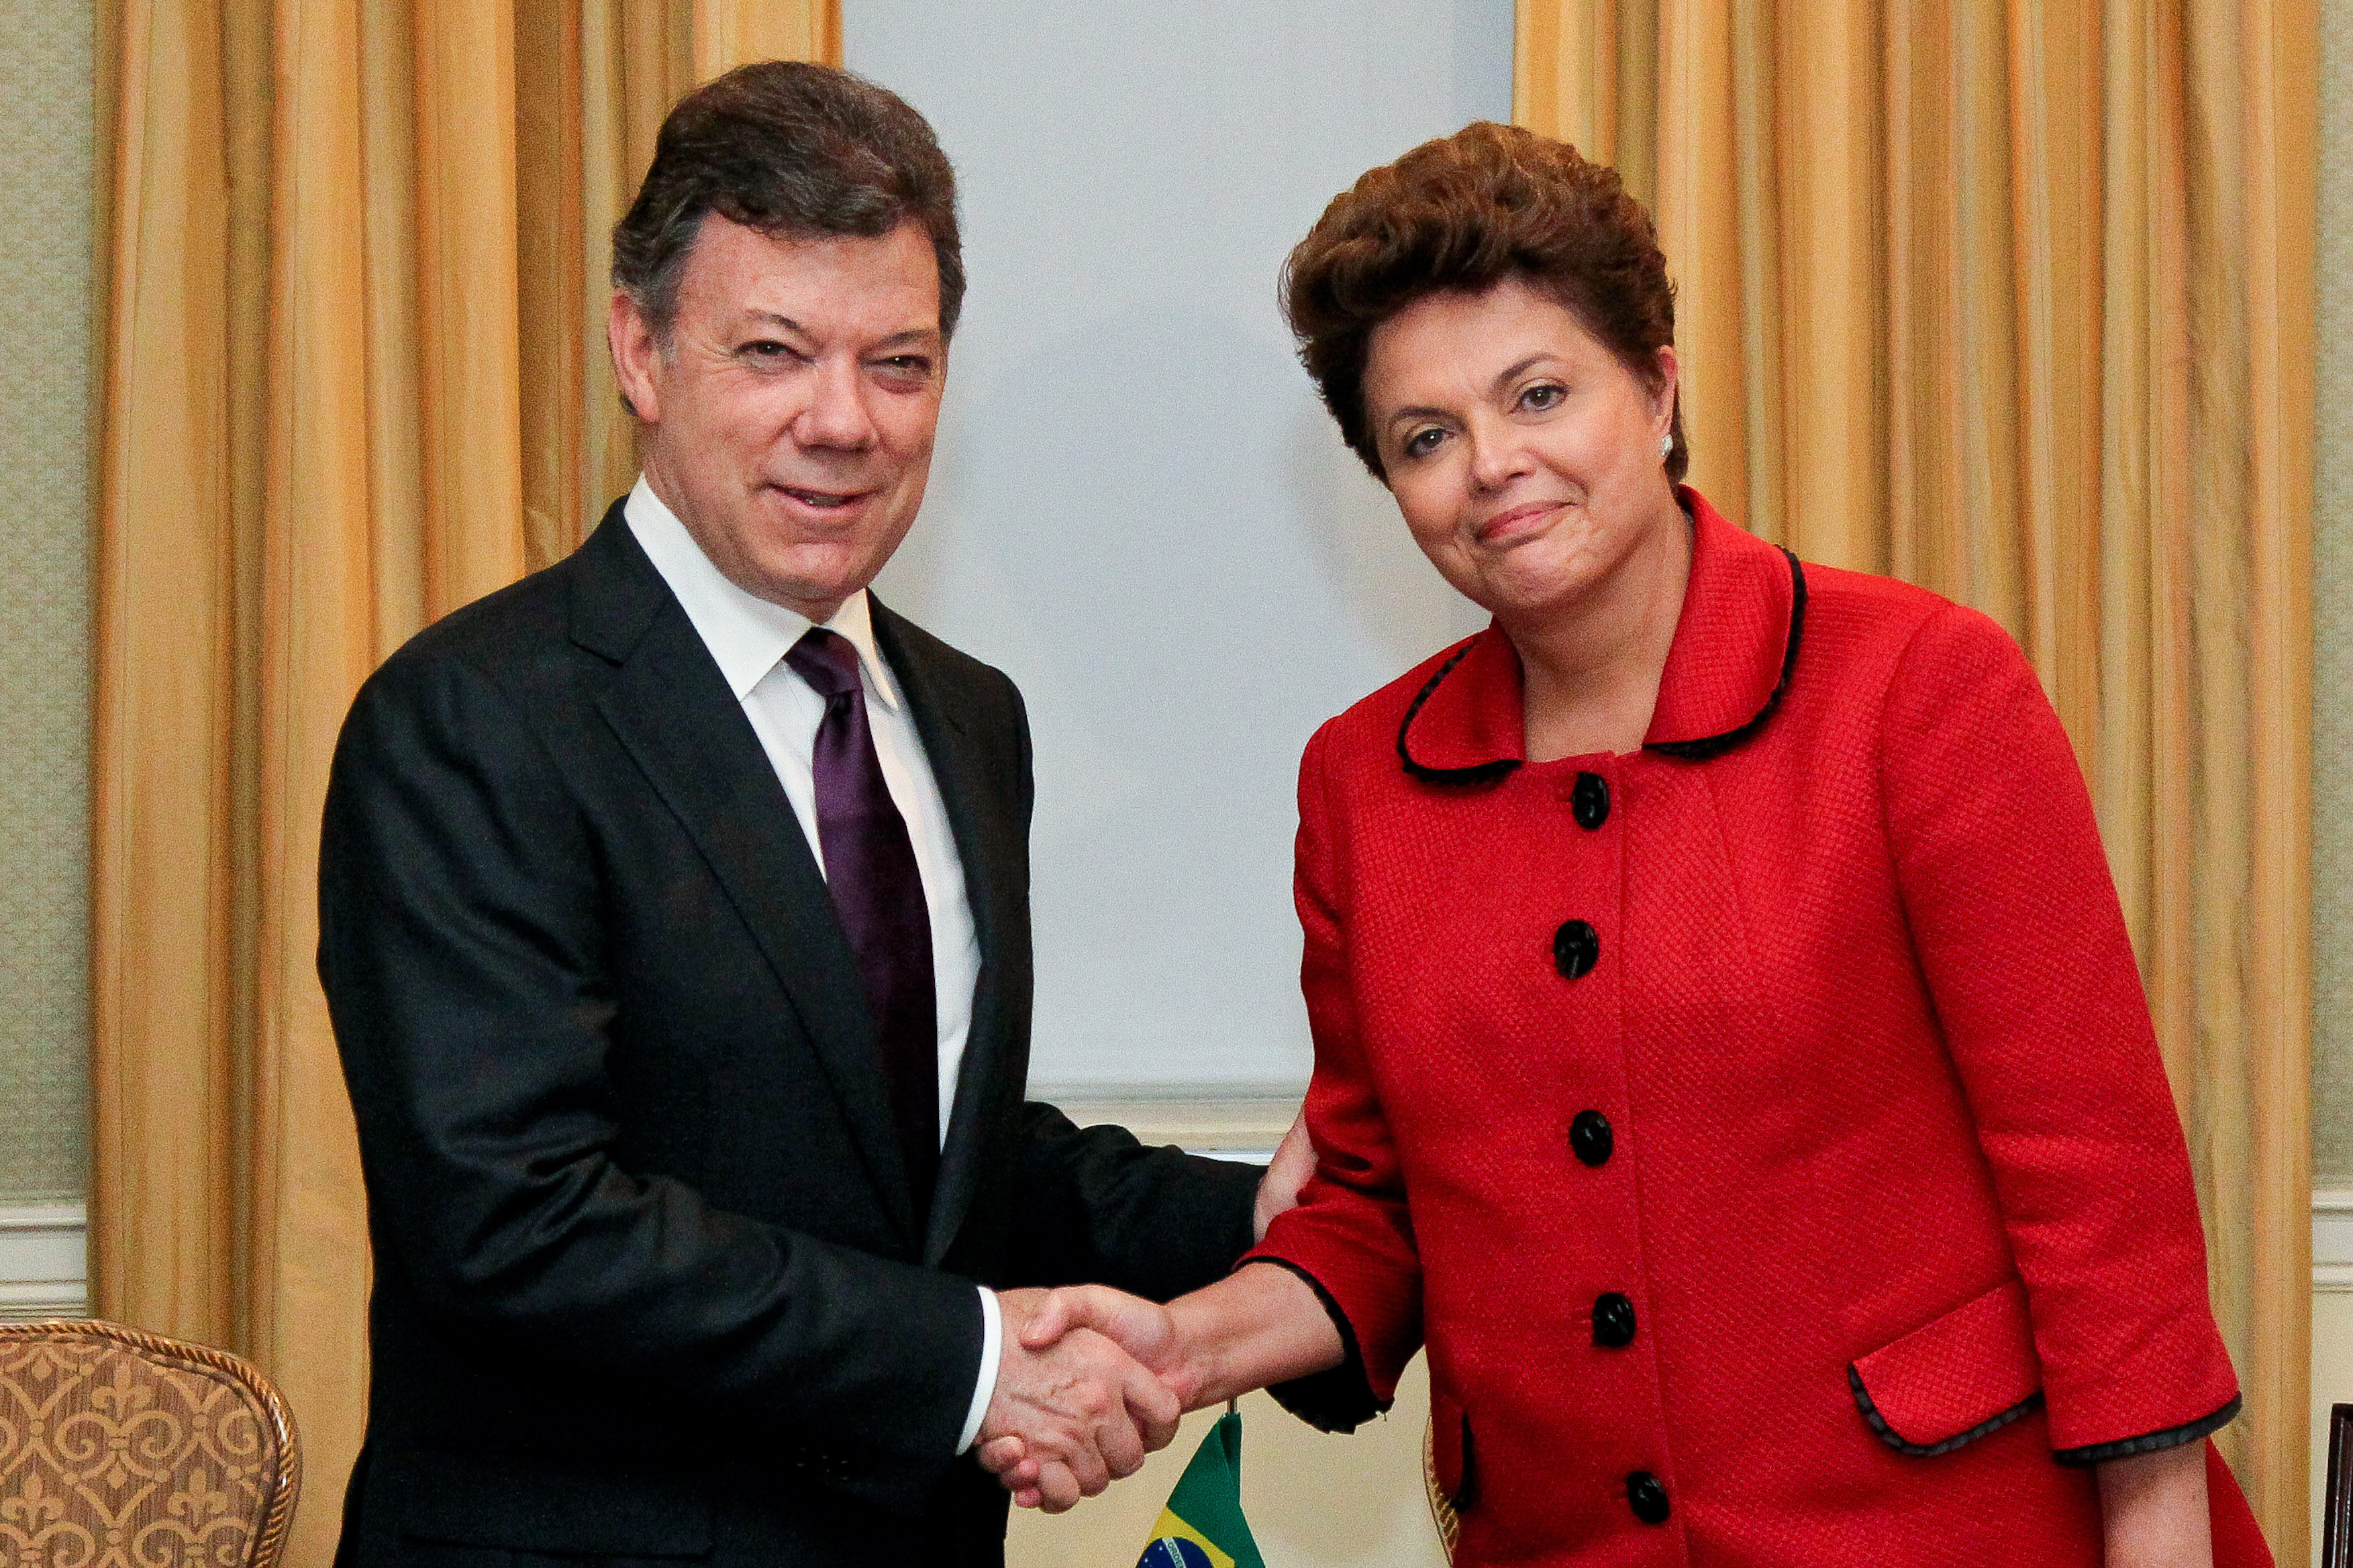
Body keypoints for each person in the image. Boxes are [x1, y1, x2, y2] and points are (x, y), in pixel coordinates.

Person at [984, 123, 2274, 1567]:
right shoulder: (1362, 780)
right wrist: (1178, 1340)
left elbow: (2095, 1179)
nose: (1492, 466)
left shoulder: (1915, 685)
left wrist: (2160, 1540)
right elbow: (1373, 1208)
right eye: (1425, 437)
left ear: (1655, 388)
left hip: (1949, 1530)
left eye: (1538, 393)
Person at [317, 60, 1309, 1568]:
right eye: (773, 351)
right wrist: (976, 1363)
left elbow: (925, 1160)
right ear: (638, 350)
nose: (841, 421)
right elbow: (515, 1225)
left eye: (898, 364)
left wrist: (1271, 1216)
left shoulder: (969, 718)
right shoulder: (472, 718)